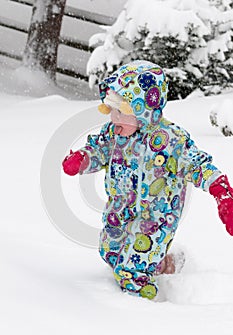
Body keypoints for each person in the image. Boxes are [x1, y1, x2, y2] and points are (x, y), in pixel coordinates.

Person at [62, 61, 233, 300]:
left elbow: (199, 165)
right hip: (119, 210)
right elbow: (99, 149)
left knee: (132, 272)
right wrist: (84, 158)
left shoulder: (170, 141)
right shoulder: (115, 132)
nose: (113, 117)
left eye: (120, 110)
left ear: (143, 109)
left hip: (156, 218)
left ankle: (144, 310)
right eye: (110, 109)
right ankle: (166, 263)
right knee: (110, 252)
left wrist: (221, 192)